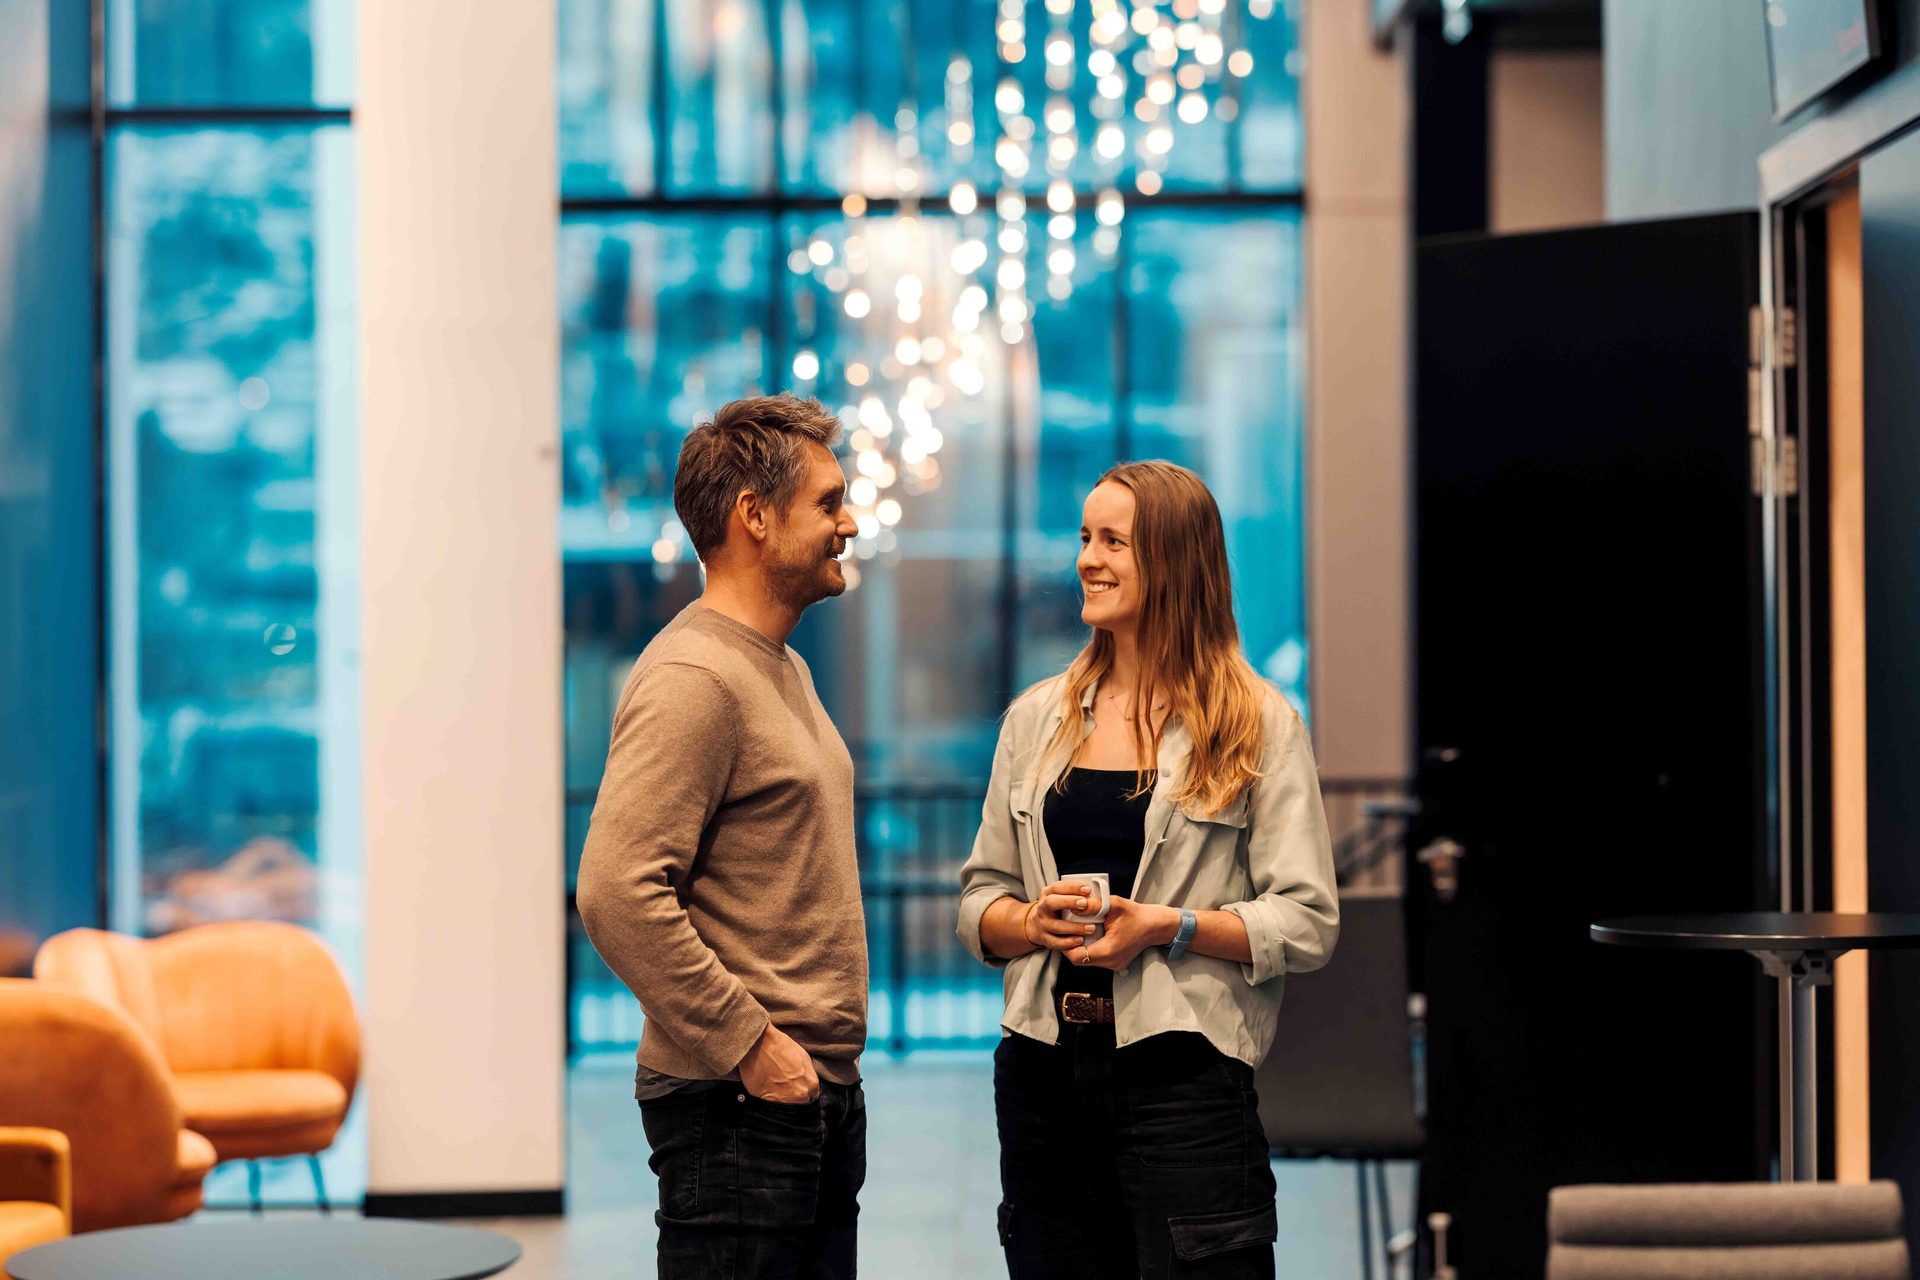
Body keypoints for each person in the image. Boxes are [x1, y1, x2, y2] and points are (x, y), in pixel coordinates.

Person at [956, 460, 1340, 1280]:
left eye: (1114, 541)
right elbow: (978, 898)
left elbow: (1307, 922)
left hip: (1186, 1084)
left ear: (1172, 560)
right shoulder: (1034, 719)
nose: (1088, 559)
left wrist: (1168, 927)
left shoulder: (1258, 725)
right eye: (1085, 538)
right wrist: (1028, 921)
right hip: (1041, 1079)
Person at [577, 393, 867, 1279]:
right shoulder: (695, 677)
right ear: (753, 515)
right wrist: (753, 1047)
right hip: (740, 1108)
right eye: (828, 502)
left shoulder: (781, 668)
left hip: (806, 1098)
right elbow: (616, 890)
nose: (849, 523)